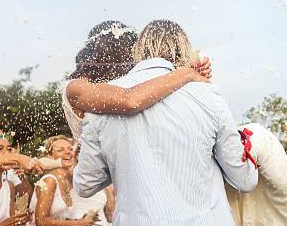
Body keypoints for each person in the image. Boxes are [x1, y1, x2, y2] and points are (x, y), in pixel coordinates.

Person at [74, 19, 258, 226]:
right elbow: (243, 178)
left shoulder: (102, 103)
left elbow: (86, 184)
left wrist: (118, 160)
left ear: (137, 50)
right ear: (183, 50)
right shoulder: (207, 96)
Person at [62, 20, 211, 140]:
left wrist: (195, 73)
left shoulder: (127, 84)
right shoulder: (76, 88)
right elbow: (129, 100)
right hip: (99, 171)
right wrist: (187, 74)